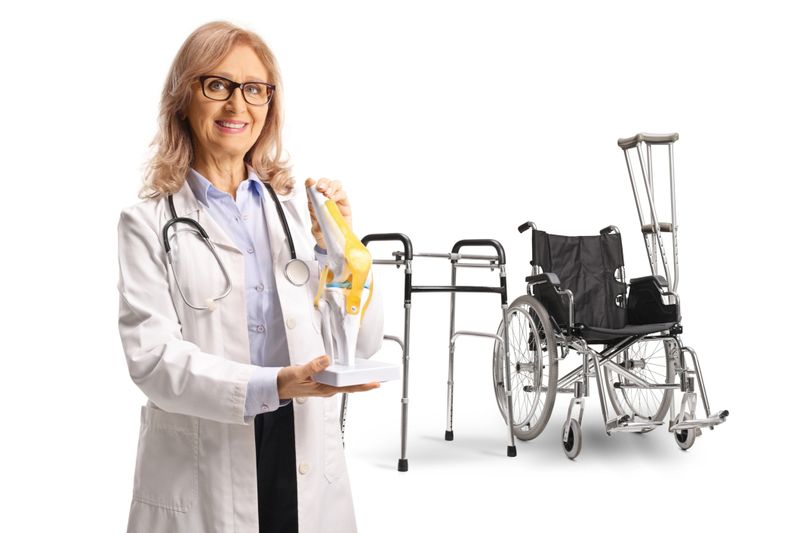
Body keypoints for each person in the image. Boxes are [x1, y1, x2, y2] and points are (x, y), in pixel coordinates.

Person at [117, 20, 383, 533]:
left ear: (270, 105)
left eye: (255, 89)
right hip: (206, 450)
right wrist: (275, 384)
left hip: (301, 442)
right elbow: (152, 359)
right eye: (217, 85)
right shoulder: (146, 223)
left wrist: (342, 249)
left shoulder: (294, 214)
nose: (238, 105)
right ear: (182, 98)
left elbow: (361, 344)